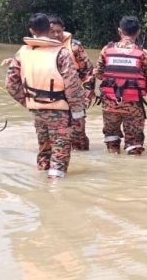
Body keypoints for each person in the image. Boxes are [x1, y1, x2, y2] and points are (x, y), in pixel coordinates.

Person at [5, 13, 88, 179]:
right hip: (60, 112)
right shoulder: (62, 53)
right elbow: (73, 85)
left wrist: (27, 101)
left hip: (37, 110)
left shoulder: (22, 52)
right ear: (50, 29)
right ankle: (54, 193)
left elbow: (10, 84)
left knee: (44, 150)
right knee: (60, 154)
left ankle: (40, 182)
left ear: (31, 30)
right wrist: (78, 112)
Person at [94, 16, 147, 155]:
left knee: (112, 140)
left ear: (119, 31)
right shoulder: (144, 54)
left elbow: (99, 74)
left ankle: (113, 168)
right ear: (138, 32)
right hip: (133, 105)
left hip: (110, 104)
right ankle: (133, 173)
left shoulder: (106, 50)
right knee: (134, 144)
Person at [48, 15, 95, 151]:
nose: (56, 35)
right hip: (52, 99)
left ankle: (83, 160)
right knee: (54, 138)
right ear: (46, 32)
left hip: (74, 97)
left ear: (63, 29)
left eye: (59, 31)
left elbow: (88, 72)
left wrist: (87, 95)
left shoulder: (74, 47)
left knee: (78, 135)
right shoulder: (40, 48)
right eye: (52, 32)